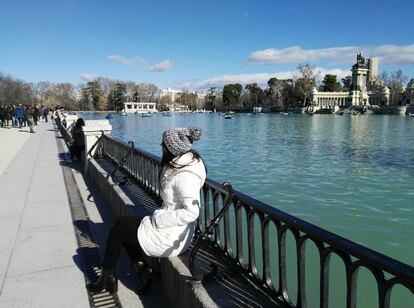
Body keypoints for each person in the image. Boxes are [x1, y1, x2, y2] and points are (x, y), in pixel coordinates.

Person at [86, 127, 207, 295]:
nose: (160, 145)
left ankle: (106, 279)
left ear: (171, 148)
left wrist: (159, 221)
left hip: (173, 235)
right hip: (169, 225)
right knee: (121, 222)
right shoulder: (179, 164)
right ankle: (142, 270)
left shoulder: (186, 175)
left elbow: (192, 212)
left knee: (117, 234)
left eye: (163, 143)